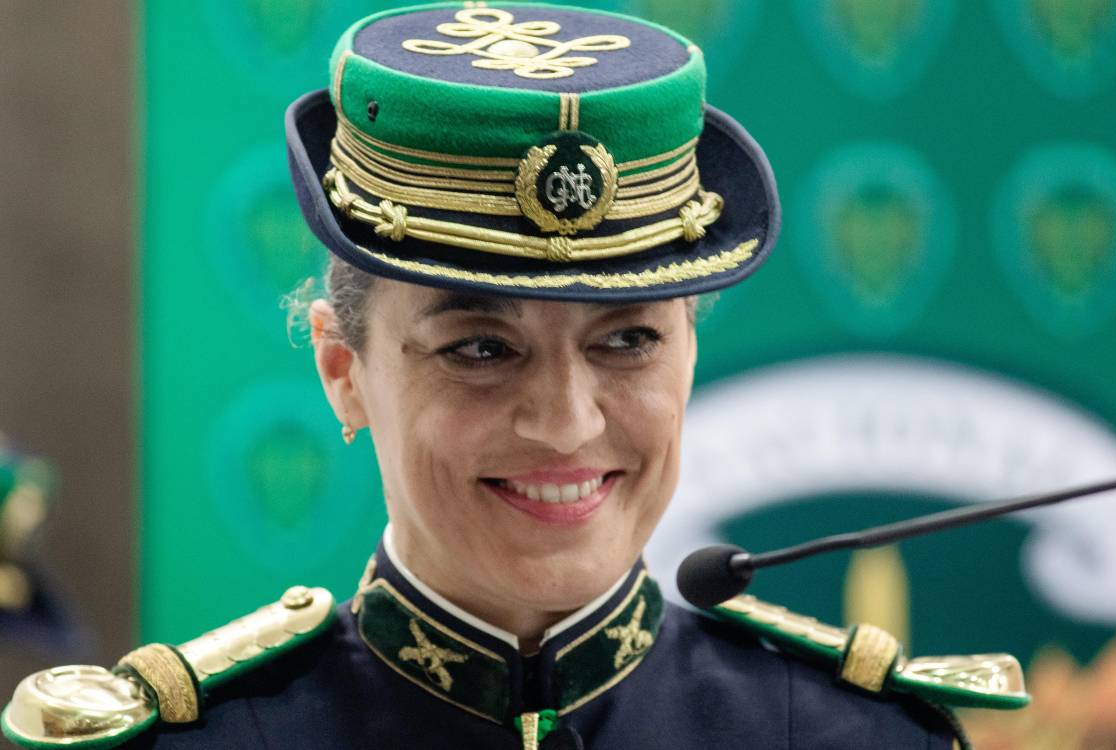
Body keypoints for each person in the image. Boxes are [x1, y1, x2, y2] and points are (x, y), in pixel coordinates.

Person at [2, 4, 1027, 748]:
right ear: (342, 371)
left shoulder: (854, 736)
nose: (566, 423)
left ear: (690, 351)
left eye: (628, 341)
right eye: (481, 349)